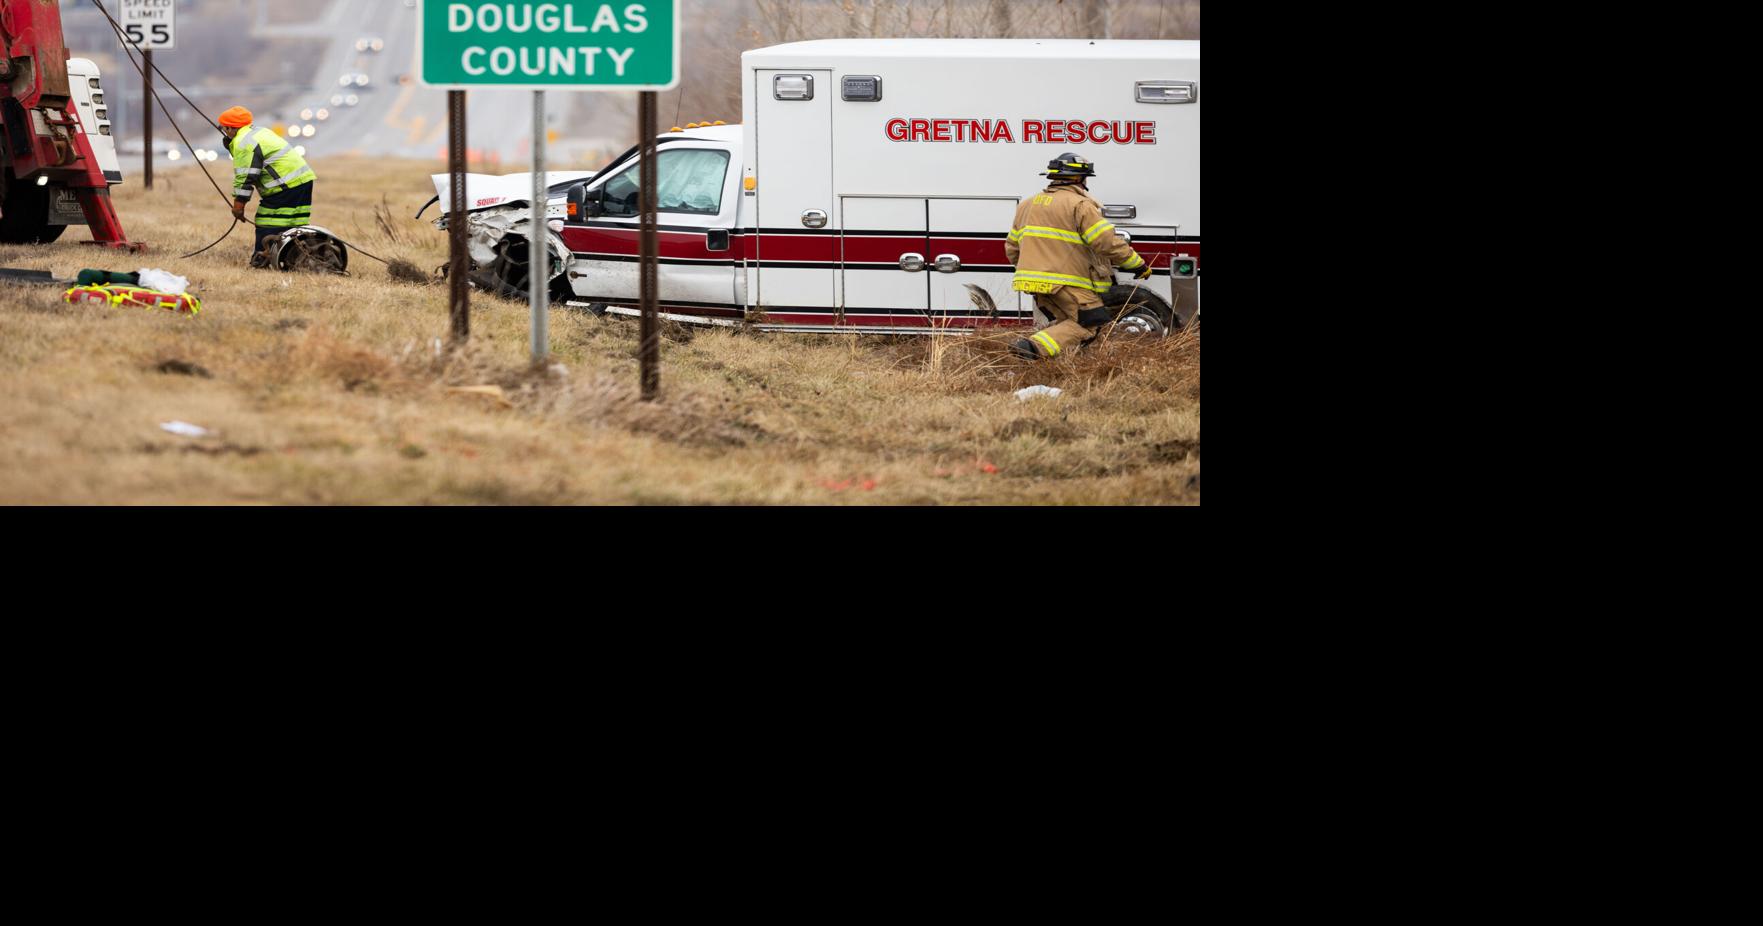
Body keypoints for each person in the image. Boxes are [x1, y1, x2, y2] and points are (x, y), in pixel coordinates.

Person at [1003, 153, 1151, 360]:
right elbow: (1106, 242)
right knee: (1091, 322)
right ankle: (1030, 347)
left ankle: (1058, 369)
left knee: (1067, 324)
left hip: (1033, 282)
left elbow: (1012, 248)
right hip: (1067, 282)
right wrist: (1137, 265)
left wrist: (1031, 271)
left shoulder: (1027, 205)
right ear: (1079, 178)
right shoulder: (1080, 205)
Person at [217, 106, 316, 267]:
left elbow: (246, 176)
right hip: (302, 180)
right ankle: (296, 258)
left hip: (286, 185)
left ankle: (262, 261)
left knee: (267, 221)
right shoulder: (258, 132)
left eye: (223, 128)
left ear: (230, 128)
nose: (223, 132)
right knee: (294, 224)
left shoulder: (244, 143)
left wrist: (239, 205)